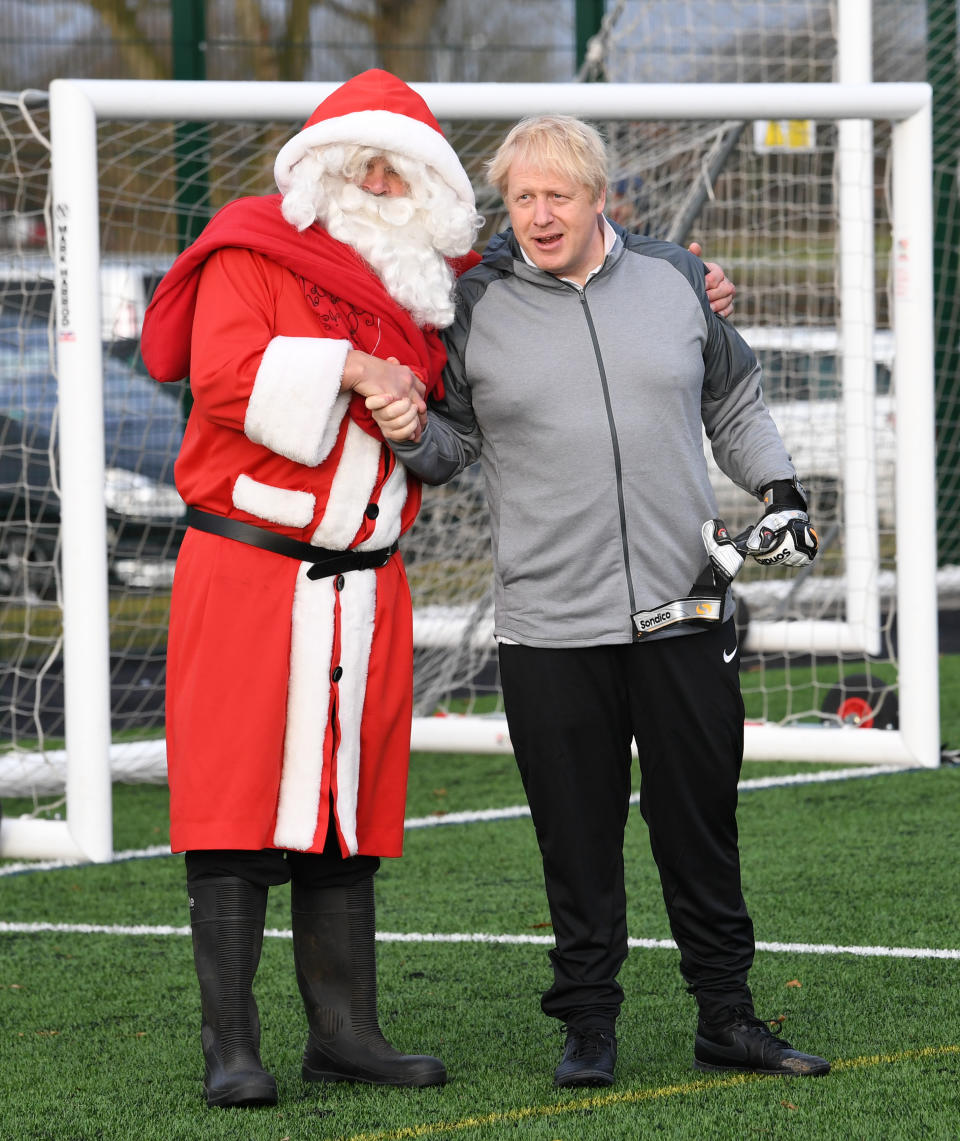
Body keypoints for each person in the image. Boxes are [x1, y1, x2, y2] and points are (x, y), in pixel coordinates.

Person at [369, 114, 826, 1090]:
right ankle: (587, 1027)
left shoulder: (672, 280)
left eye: (556, 197)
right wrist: (408, 430)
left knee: (699, 825)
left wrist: (779, 487)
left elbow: (734, 400)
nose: (538, 215)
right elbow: (448, 452)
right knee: (574, 840)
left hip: (686, 612)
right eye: (522, 198)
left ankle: (728, 1017)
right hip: (549, 626)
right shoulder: (472, 305)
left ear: (600, 197)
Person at [138, 69, 486, 1108]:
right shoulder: (250, 248)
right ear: (327, 168)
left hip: (370, 586)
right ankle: (230, 1047)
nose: (382, 179)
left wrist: (415, 425)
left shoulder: (428, 289)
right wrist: (346, 368)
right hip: (251, 572)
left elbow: (453, 439)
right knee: (235, 799)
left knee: (351, 807)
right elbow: (227, 377)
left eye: (404, 166)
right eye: (367, 160)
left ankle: (345, 1032)